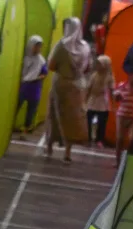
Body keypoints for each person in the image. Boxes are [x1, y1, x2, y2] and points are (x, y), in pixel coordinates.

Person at [45, 17, 92, 163]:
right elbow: (89, 67)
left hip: (61, 84)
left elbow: (51, 65)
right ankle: (67, 152)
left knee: (54, 114)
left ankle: (49, 147)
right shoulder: (86, 47)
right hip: (77, 87)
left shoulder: (62, 45)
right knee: (72, 119)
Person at [17, 35, 48, 137]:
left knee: (30, 112)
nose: (38, 49)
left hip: (34, 88)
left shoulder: (41, 60)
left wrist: (35, 78)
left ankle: (25, 132)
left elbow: (44, 74)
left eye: (40, 46)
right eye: (36, 46)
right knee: (16, 107)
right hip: (23, 86)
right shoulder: (24, 57)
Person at [113, 69, 133, 166]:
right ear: (130, 76)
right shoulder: (122, 86)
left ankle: (127, 160)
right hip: (122, 116)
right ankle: (118, 161)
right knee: (120, 139)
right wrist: (117, 96)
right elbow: (115, 97)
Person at [86, 53, 115, 149]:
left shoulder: (109, 76)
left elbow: (112, 90)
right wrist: (85, 100)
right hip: (92, 100)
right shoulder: (94, 75)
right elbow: (89, 88)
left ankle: (99, 139)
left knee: (101, 123)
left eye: (100, 64)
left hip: (103, 103)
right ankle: (88, 138)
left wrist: (114, 104)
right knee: (88, 120)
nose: (98, 66)